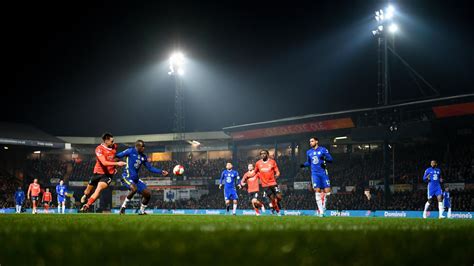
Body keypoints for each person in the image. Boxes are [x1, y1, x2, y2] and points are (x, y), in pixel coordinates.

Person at [116, 140, 169, 215]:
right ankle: (123, 207)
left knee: (148, 194)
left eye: (144, 146)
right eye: (142, 146)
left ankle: (142, 211)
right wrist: (114, 165)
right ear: (137, 146)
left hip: (136, 179)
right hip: (127, 176)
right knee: (134, 189)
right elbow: (117, 156)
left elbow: (150, 168)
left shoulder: (143, 157)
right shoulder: (130, 151)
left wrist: (161, 171)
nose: (144, 148)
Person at [80, 133, 126, 212]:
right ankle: (85, 195)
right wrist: (117, 164)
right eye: (112, 141)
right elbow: (104, 163)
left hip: (107, 175)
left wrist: (114, 167)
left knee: (98, 189)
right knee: (87, 191)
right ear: (106, 141)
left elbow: (114, 157)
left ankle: (87, 205)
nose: (113, 143)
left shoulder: (114, 146)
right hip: (97, 173)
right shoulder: (99, 149)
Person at [300, 137, 333, 217]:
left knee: (328, 192)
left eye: (312, 141)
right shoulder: (308, 152)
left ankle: (324, 207)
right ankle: (321, 212)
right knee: (317, 191)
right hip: (315, 174)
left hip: (323, 173)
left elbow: (331, 159)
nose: (310, 143)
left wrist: (324, 158)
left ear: (316, 141)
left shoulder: (323, 150)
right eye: (310, 141)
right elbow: (309, 162)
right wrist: (304, 165)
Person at [254, 150, 282, 215]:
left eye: (264, 153)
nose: (263, 155)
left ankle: (276, 204)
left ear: (267, 154)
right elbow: (255, 172)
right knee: (272, 199)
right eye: (261, 154)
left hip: (273, 183)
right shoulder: (258, 163)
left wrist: (277, 174)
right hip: (265, 185)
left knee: (279, 197)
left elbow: (277, 171)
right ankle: (277, 211)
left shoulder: (272, 162)